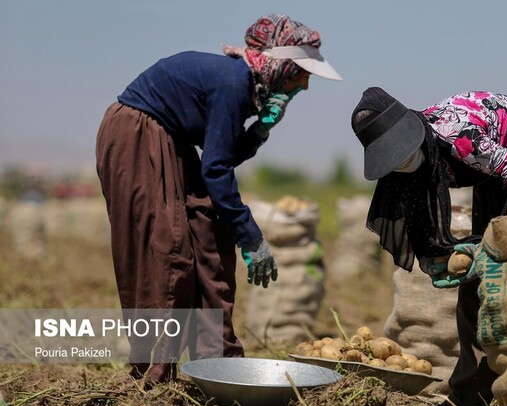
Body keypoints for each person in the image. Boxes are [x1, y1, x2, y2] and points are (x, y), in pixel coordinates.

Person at [96, 14, 341, 384]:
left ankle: (217, 367)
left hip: (172, 142)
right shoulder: (233, 82)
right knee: (168, 251)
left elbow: (220, 156)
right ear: (283, 66)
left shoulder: (246, 87)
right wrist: (252, 236)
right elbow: (216, 170)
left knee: (209, 235)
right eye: (302, 73)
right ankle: (152, 375)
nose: (305, 85)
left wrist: (258, 131)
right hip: (138, 134)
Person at [351, 87, 507, 406]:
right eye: (393, 157)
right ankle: (469, 400)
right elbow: (419, 219)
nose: (401, 161)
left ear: (415, 134)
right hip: (493, 180)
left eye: (403, 152)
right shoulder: (410, 169)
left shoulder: (459, 138)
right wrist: (434, 256)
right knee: (478, 285)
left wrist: (498, 242)